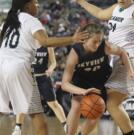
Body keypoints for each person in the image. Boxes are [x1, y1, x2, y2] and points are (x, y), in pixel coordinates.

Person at [75, 0, 134, 135]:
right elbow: (99, 13)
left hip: (130, 59)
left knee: (111, 103)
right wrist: (82, 2)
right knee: (100, 101)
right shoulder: (116, 7)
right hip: (114, 58)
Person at [0, 0, 88, 135]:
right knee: (37, 118)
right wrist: (72, 39)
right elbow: (46, 42)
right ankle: (19, 127)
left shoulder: (8, 22)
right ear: (28, 5)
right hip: (20, 69)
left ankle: (21, 127)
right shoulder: (31, 20)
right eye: (35, 2)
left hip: (2, 67)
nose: (38, 5)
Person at [61, 23, 134, 135]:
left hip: (100, 83)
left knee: (95, 114)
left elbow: (122, 52)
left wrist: (131, 71)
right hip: (81, 83)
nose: (97, 44)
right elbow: (65, 84)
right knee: (76, 105)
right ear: (84, 40)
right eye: (94, 41)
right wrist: (83, 91)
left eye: (99, 41)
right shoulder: (75, 53)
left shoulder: (104, 46)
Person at [12, 47, 67, 135]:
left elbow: (53, 62)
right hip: (29, 78)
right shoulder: (27, 43)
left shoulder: (48, 46)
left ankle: (66, 125)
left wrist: (50, 69)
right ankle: (18, 128)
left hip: (43, 77)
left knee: (53, 103)